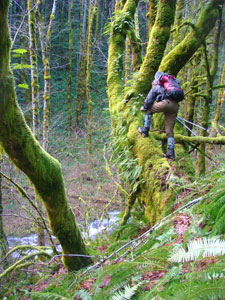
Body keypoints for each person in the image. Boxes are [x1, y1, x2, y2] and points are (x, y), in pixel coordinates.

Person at [138, 71, 184, 160]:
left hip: (166, 103)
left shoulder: (157, 86)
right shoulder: (171, 87)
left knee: (149, 109)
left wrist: (144, 106)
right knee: (169, 130)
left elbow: (149, 99)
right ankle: (171, 153)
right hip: (175, 106)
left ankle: (145, 131)